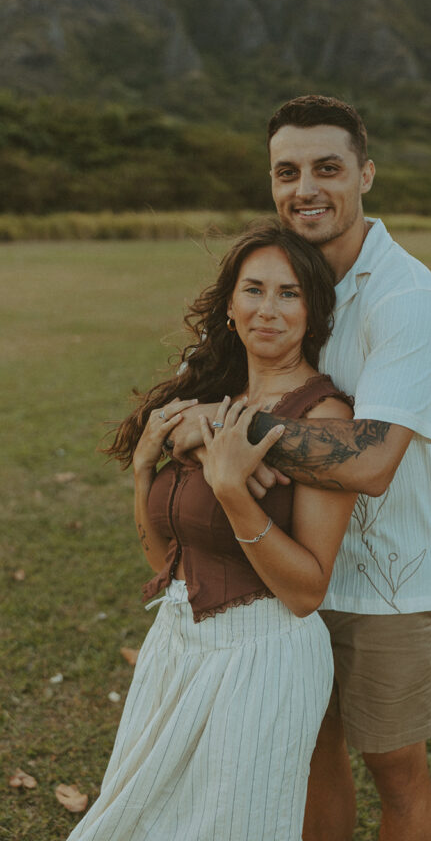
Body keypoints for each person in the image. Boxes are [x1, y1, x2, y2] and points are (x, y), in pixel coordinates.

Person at [168, 95, 431, 841]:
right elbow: (188, 394)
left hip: (383, 581)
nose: (306, 188)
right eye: (287, 171)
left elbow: (370, 463)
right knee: (307, 752)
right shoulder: (279, 278)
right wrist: (189, 418)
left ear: (365, 173)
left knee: (394, 768)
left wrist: (227, 429)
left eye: (326, 168)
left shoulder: (407, 300)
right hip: (282, 566)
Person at [66, 222, 357, 841]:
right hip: (175, 646)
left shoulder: (324, 418)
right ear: (230, 303)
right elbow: (163, 553)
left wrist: (232, 492)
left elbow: (307, 593)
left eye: (290, 294)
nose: (268, 310)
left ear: (314, 311)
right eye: (254, 290)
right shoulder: (209, 397)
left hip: (262, 661)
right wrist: (144, 469)